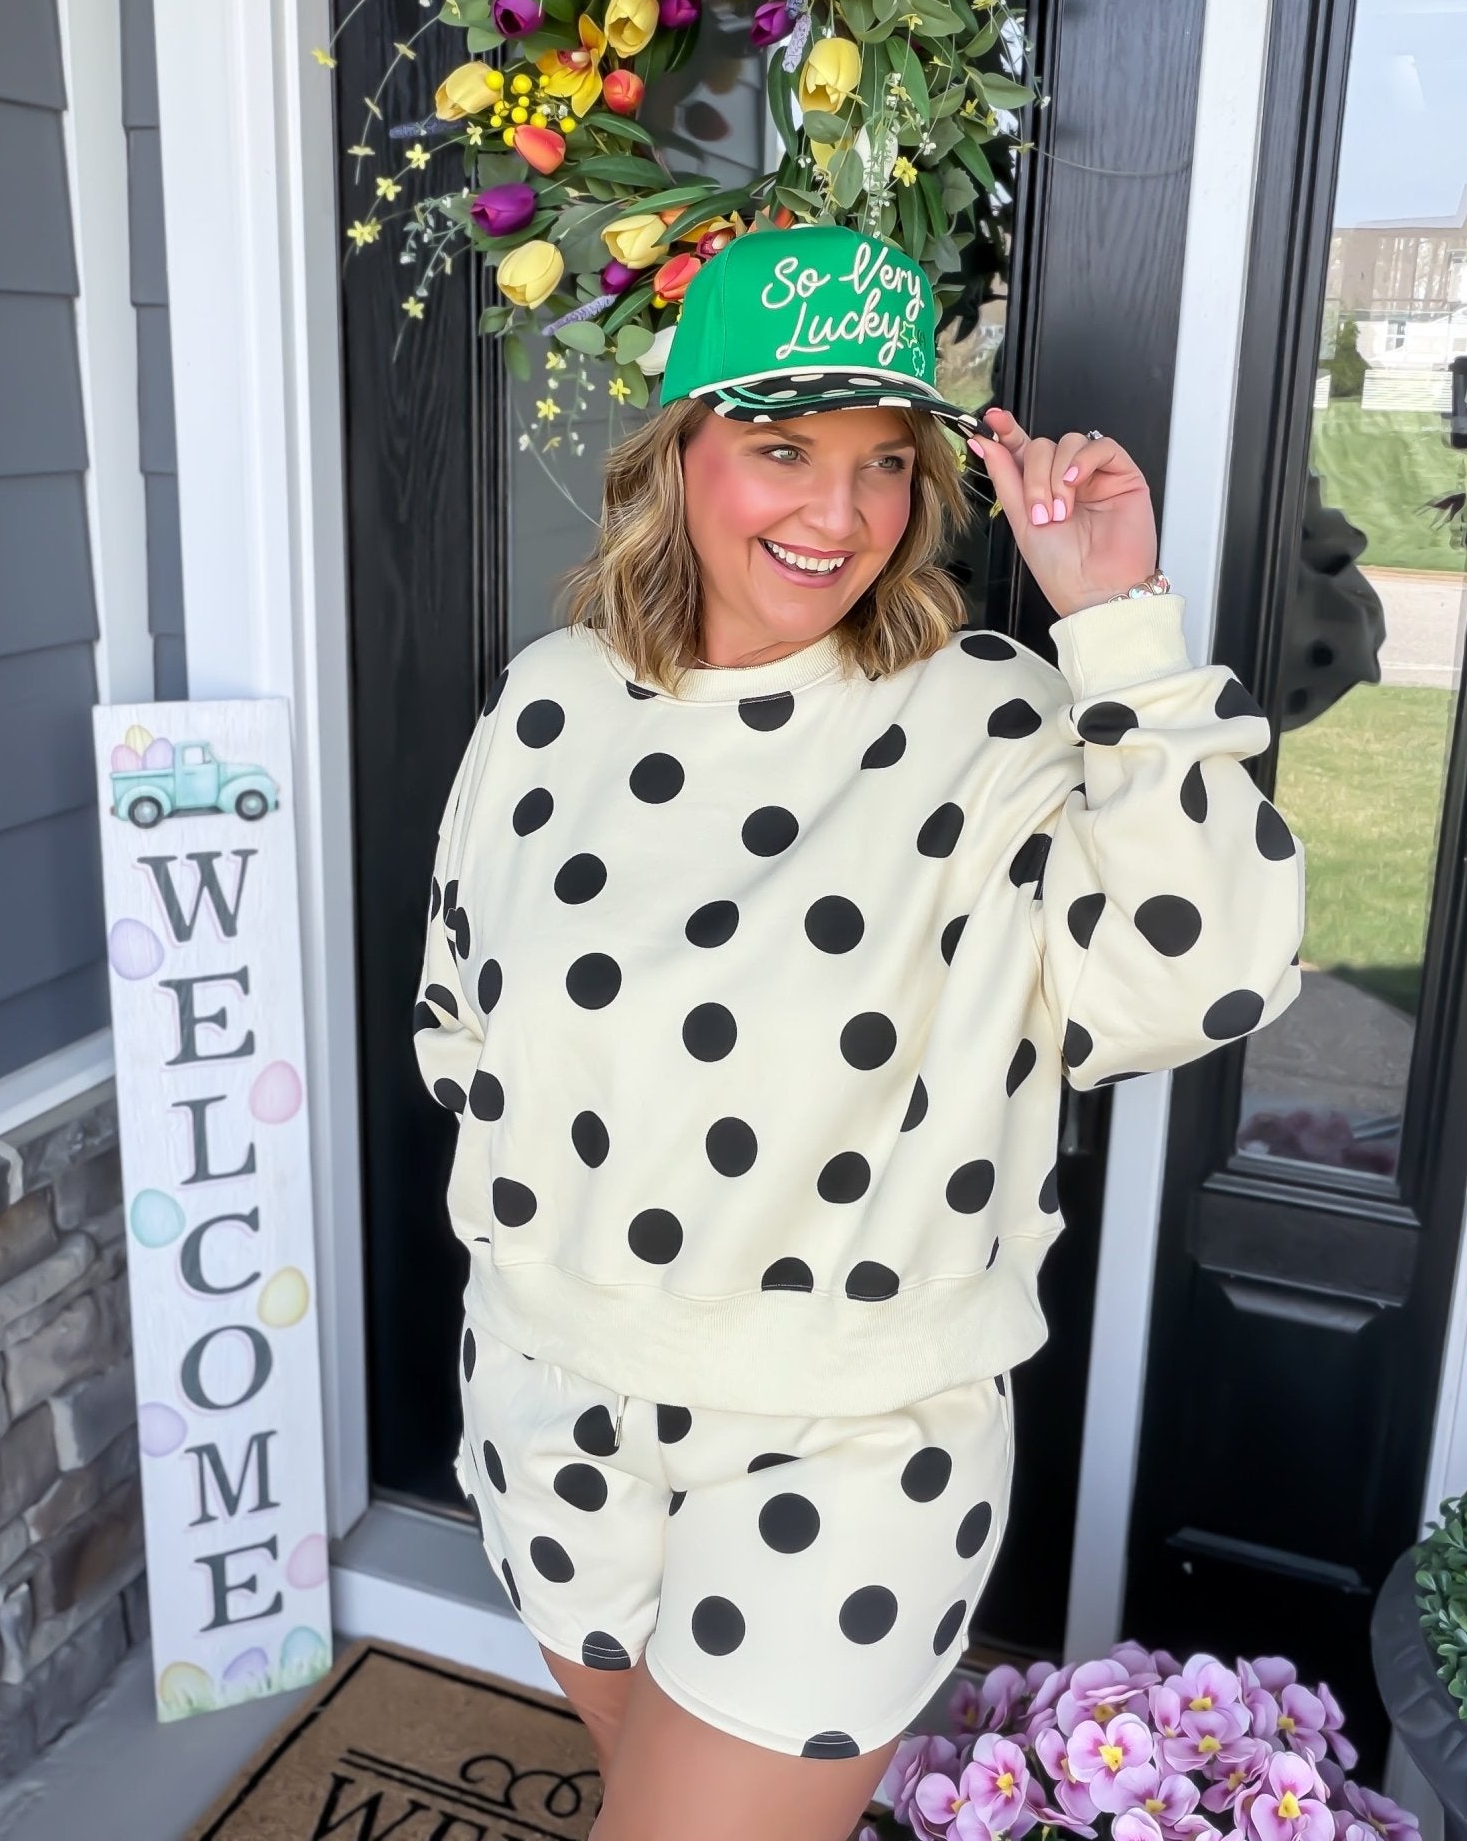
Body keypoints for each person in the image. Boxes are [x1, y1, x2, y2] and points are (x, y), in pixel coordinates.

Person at [412, 224, 1306, 1841]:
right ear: (679, 453)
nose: (840, 514)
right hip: (554, 1398)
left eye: (884, 461)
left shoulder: (992, 717)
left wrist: (1119, 625)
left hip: (851, 1436)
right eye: (783, 451)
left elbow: (1204, 978)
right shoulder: (549, 698)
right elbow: (461, 1018)